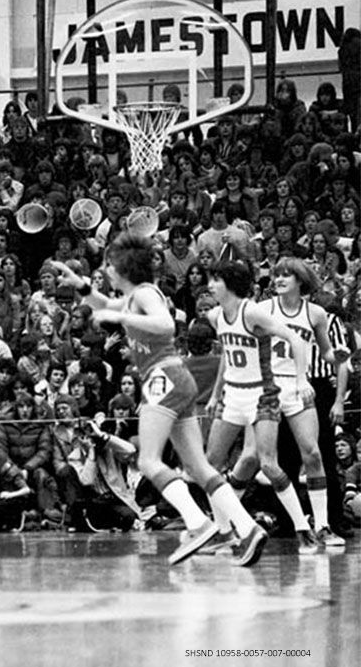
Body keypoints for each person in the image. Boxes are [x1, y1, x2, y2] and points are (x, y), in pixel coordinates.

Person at [50, 235, 266, 567]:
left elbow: (165, 325)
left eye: (109, 264)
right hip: (178, 379)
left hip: (163, 379)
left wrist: (122, 320)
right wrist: (80, 285)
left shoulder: (145, 294)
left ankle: (199, 523)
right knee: (198, 466)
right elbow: (104, 304)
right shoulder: (136, 295)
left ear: (123, 268)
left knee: (149, 461)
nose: (105, 270)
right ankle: (246, 528)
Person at [203, 260, 316, 553]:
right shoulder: (216, 315)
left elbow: (294, 339)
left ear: (229, 284)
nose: (210, 286)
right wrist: (217, 394)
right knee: (210, 464)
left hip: (261, 395)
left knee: (268, 463)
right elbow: (227, 357)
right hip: (232, 395)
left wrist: (302, 379)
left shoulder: (251, 311)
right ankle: (224, 532)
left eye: (215, 280)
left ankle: (303, 528)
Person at [262, 259, 347, 549]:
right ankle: (231, 523)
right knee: (258, 460)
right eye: (276, 274)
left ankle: (321, 525)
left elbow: (326, 354)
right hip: (269, 387)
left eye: (287, 274)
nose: (279, 278)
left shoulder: (316, 314)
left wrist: (340, 356)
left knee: (313, 454)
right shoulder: (264, 309)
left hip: (301, 385)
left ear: (301, 280)